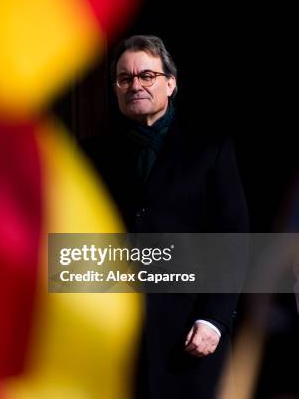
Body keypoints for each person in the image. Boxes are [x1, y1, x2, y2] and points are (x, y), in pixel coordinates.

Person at [81, 35, 249, 398]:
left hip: (190, 334)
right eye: (125, 79)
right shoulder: (93, 154)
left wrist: (214, 319)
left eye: (146, 75)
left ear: (170, 83)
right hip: (115, 341)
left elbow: (232, 238)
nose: (135, 85)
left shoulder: (210, 149)